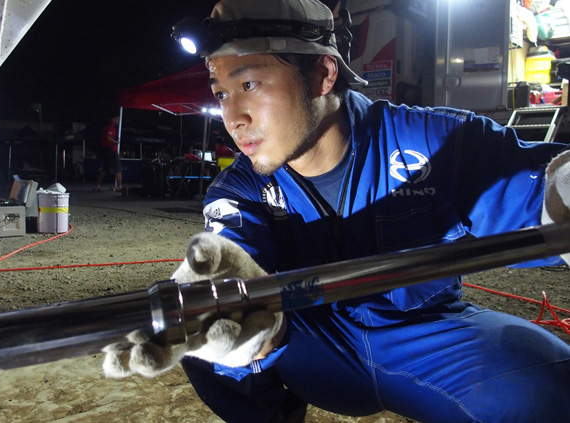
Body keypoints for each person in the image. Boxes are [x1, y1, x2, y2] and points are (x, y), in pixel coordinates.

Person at [104, 1, 570, 422]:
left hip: (432, 340)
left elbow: (535, 189)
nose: (233, 116)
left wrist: (562, 187)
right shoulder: (240, 186)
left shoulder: (431, 141)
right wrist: (243, 326)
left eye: (248, 83)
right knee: (203, 328)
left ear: (323, 75)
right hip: (311, 345)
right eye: (222, 92)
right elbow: (229, 252)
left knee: (551, 389)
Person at [94, 115, 122, 192]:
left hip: (107, 151)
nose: (118, 121)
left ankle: (97, 186)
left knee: (104, 169)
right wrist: (116, 142)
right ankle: (120, 187)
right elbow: (108, 138)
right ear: (113, 119)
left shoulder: (109, 127)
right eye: (117, 119)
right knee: (118, 169)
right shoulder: (110, 128)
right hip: (111, 150)